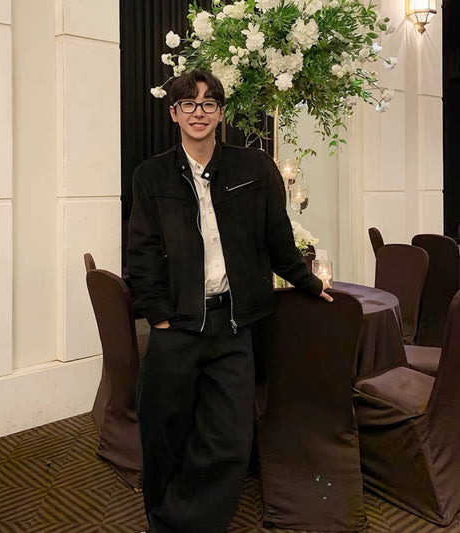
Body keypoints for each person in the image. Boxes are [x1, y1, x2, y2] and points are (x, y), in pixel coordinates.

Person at [128, 69, 332, 533]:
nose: (198, 112)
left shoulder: (253, 168)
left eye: (208, 103)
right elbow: (141, 252)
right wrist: (158, 315)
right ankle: (165, 520)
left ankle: (187, 522)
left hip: (233, 324)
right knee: (163, 431)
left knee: (230, 440)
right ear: (174, 113)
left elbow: (278, 237)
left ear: (221, 113)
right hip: (177, 325)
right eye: (188, 103)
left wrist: (306, 281)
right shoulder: (150, 175)